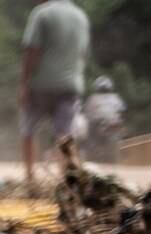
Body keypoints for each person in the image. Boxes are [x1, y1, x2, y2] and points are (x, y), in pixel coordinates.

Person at [20, 0, 91, 182]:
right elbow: (83, 54)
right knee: (65, 135)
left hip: (41, 84)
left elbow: (33, 50)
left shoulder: (41, 13)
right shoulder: (81, 16)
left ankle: (30, 178)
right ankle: (67, 181)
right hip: (70, 85)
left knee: (29, 129)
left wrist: (24, 83)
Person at [83, 76, 127, 164]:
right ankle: (121, 154)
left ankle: (91, 158)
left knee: (88, 138)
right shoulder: (116, 97)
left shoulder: (92, 98)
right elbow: (123, 111)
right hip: (113, 124)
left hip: (97, 124)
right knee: (121, 135)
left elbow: (86, 114)